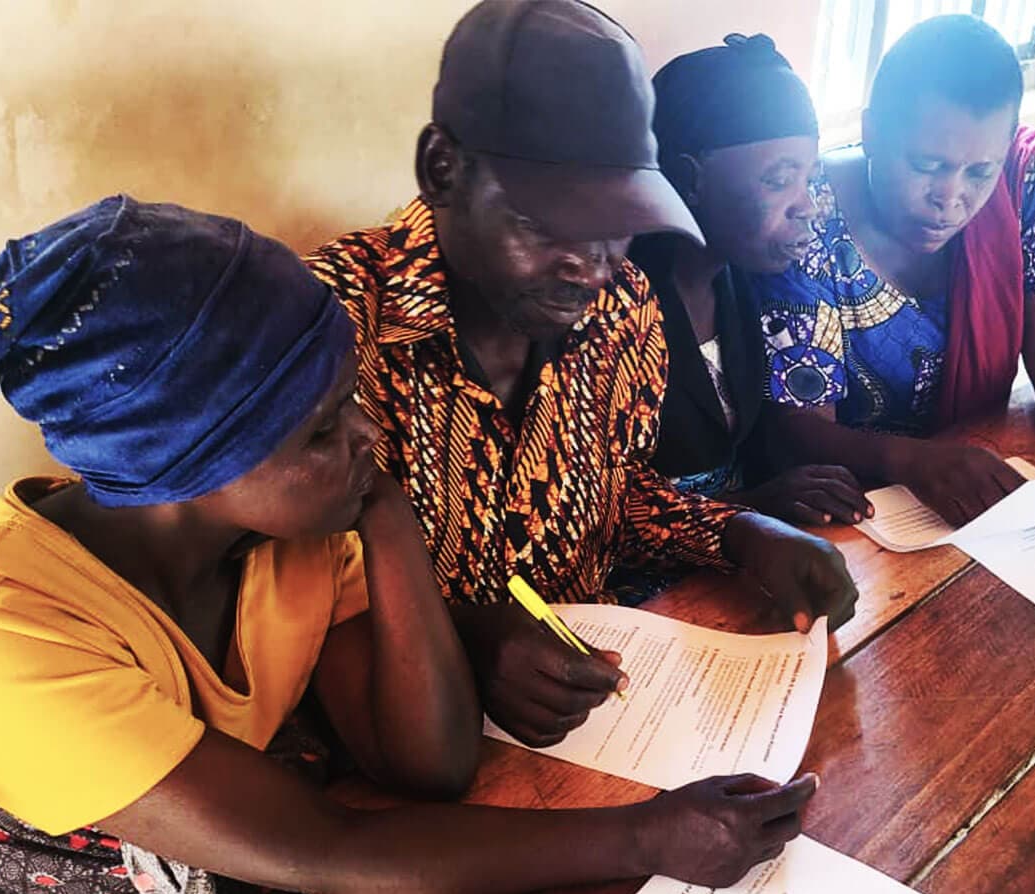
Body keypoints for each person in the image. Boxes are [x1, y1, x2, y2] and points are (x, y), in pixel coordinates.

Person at [0, 196, 817, 894]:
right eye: (324, 429)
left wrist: (387, 516)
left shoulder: (290, 536)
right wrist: (646, 838)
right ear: (184, 465)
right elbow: (334, 848)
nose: (367, 433)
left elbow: (428, 764)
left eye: (350, 398)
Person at [306, 0, 857, 750]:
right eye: (547, 220)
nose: (589, 263)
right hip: (402, 758)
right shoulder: (327, 330)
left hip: (604, 717)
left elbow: (614, 495)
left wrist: (742, 532)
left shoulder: (622, 305)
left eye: (617, 219)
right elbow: (299, 600)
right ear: (443, 168)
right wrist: (469, 635)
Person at [758, 15, 1035, 541]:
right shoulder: (809, 212)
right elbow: (794, 426)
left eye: (980, 172)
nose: (950, 196)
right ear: (871, 132)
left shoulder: (1027, 181)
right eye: (926, 165)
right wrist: (911, 461)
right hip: (845, 517)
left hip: (979, 498)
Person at [632, 33, 871, 529]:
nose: (806, 206)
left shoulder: (745, 282)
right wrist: (754, 505)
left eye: (809, 178)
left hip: (743, 561)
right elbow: (603, 512)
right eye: (779, 180)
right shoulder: (617, 307)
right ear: (689, 178)